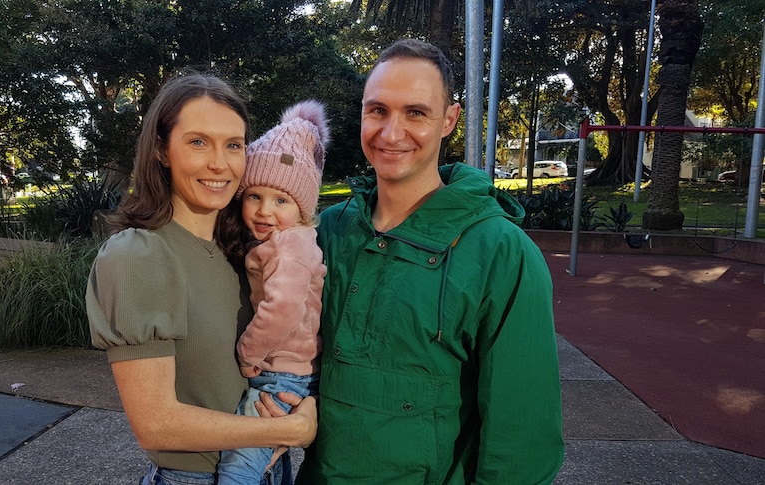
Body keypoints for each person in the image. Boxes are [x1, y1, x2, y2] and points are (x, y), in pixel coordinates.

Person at [296, 39, 565, 484]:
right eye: (378, 110)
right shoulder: (326, 231)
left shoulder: (502, 252)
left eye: (415, 113)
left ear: (449, 120)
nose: (391, 132)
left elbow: (523, 436)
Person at [85, 74, 317, 485]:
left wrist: (301, 403)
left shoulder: (242, 250)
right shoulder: (139, 254)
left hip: (267, 469)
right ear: (161, 149)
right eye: (198, 142)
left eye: (233, 145)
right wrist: (288, 430)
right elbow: (155, 423)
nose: (219, 163)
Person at [216, 100, 329, 485]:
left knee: (240, 467)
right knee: (268, 460)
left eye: (281, 201)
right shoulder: (283, 240)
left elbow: (282, 309)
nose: (264, 211)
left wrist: (248, 352)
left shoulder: (290, 248)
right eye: (254, 196)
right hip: (285, 372)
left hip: (282, 375)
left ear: (301, 209)